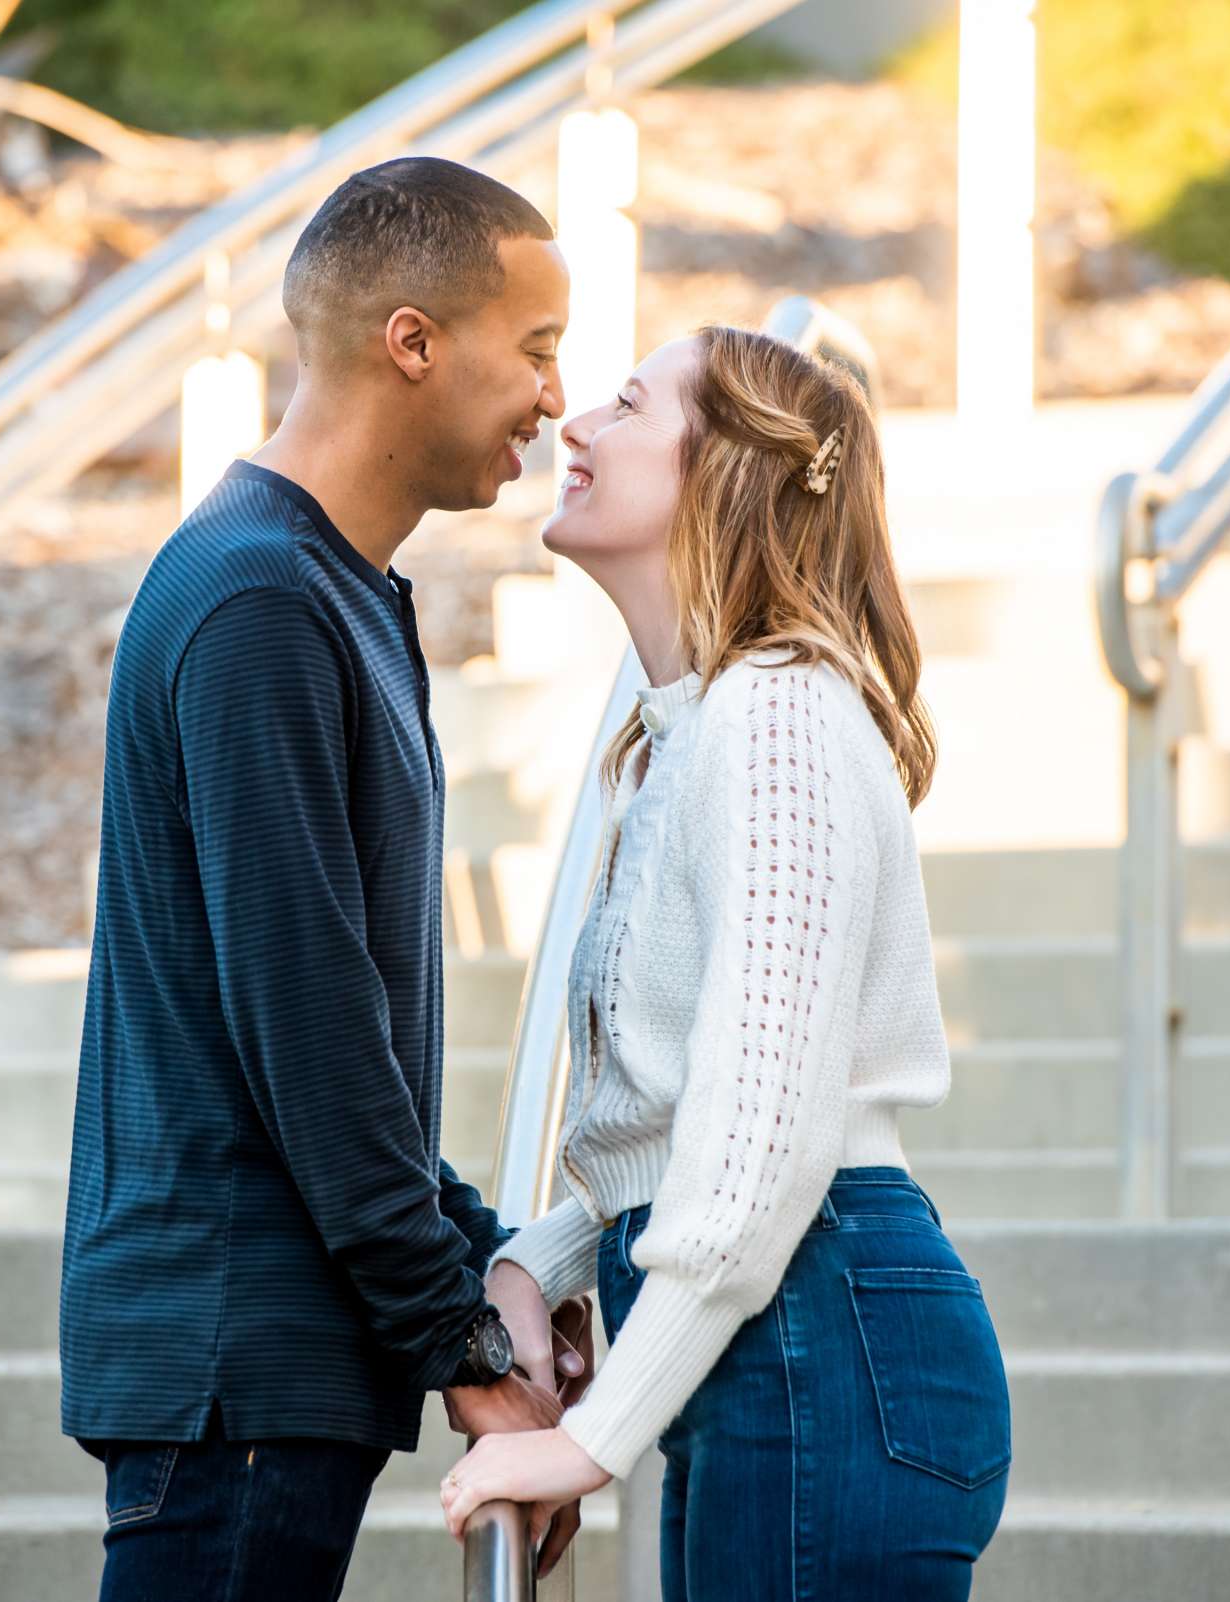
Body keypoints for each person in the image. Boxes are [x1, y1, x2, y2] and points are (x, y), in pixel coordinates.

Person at [58, 157, 594, 1601]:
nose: (555, 397)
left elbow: (333, 1030)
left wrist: (493, 1263)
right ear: (411, 341)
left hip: (280, 1365)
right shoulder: (258, 601)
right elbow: (305, 1026)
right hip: (234, 1361)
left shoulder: (333, 592)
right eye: (536, 350)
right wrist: (465, 1341)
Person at [437, 327, 1014, 1599]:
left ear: (728, 475)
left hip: (821, 1332)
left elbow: (762, 1141)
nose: (574, 425)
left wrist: (590, 1443)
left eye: (628, 406)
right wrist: (543, 1257)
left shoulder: (779, 715)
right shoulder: (688, 735)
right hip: (785, 1344)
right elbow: (686, 1099)